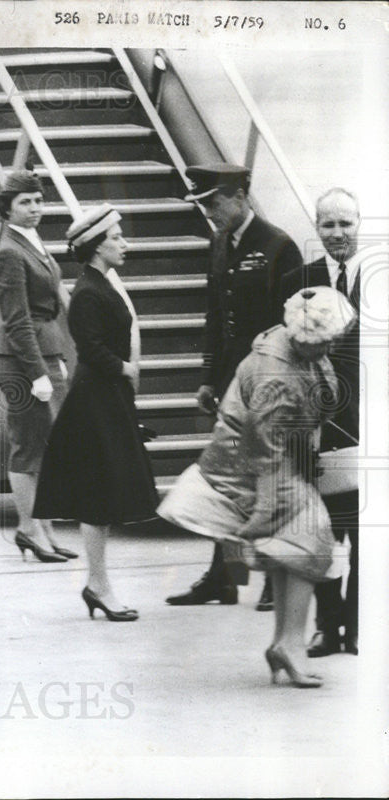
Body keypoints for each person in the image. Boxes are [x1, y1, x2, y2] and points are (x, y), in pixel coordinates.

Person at [159, 287, 355, 687]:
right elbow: (263, 445)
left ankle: (287, 644)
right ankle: (288, 645)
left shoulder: (291, 345)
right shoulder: (277, 373)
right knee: (309, 535)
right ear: (306, 335)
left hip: (268, 457)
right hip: (252, 464)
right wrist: (264, 511)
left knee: (294, 545)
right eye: (327, 339)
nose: (332, 346)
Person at [167, 163, 303, 610]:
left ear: (240, 195)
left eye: (214, 201)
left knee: (270, 476)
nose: (209, 211)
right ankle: (223, 577)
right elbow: (214, 315)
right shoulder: (221, 243)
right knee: (227, 478)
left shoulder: (279, 247)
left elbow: (293, 324)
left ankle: (272, 576)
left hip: (270, 382)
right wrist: (209, 376)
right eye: (202, 204)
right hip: (231, 381)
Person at [32, 204, 157, 622]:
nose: (124, 243)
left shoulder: (98, 282)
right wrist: (127, 368)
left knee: (99, 496)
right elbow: (91, 347)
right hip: (96, 399)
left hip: (106, 398)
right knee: (96, 496)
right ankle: (99, 585)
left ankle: (97, 584)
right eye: (117, 238)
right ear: (98, 246)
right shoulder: (88, 289)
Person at [280, 188, 361, 657]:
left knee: (371, 536)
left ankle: (358, 625)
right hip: (318, 428)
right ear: (317, 227)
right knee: (323, 534)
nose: (337, 234)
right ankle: (327, 627)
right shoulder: (299, 281)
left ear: (359, 224)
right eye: (328, 224)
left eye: (345, 224)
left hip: (372, 426)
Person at [0, 170, 77, 563]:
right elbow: (17, 320)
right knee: (27, 448)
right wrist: (39, 372)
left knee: (45, 449)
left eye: (39, 200)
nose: (35, 208)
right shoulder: (9, 250)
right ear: (7, 207)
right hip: (23, 360)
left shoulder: (30, 242)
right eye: (25, 201)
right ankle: (28, 530)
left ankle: (45, 531)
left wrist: (53, 361)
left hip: (43, 353)